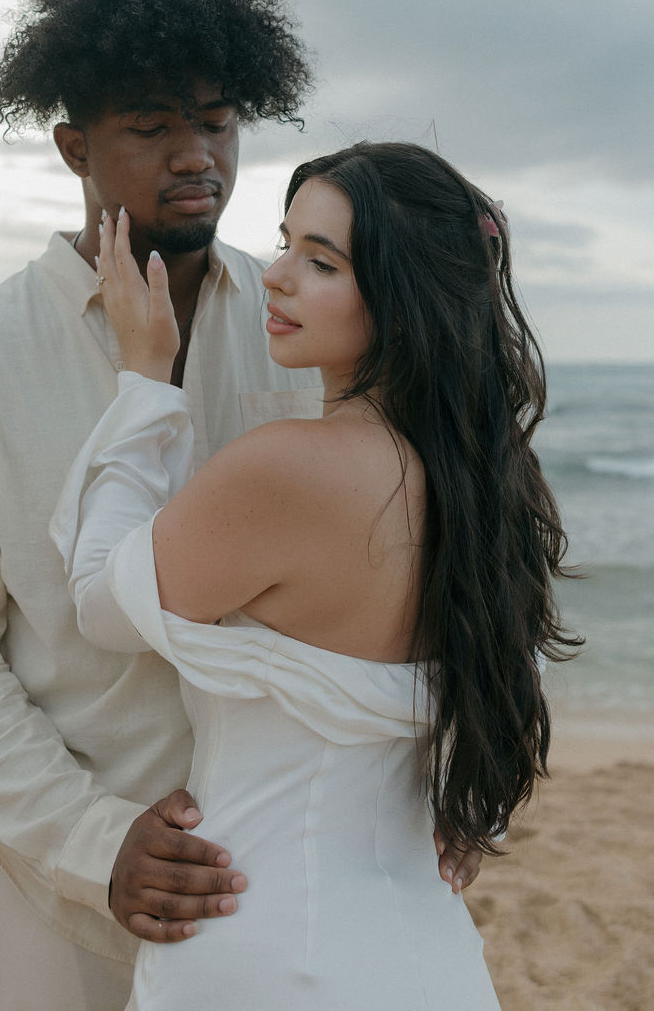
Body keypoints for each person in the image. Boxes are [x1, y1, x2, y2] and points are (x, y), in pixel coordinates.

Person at [0, 0, 335, 1010]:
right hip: (39, 884)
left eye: (216, 122)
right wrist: (93, 838)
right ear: (75, 147)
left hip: (271, 862)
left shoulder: (305, 328)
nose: (197, 156)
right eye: (151, 127)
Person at [52, 141, 582, 1009]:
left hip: (267, 943)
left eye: (321, 260)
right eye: (285, 242)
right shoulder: (489, 488)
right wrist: (469, 820)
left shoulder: (291, 470)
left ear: (403, 298)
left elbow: (103, 602)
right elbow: (505, 678)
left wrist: (145, 380)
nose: (275, 275)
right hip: (427, 950)